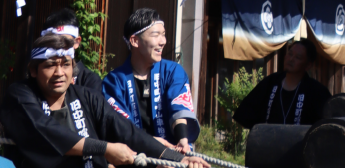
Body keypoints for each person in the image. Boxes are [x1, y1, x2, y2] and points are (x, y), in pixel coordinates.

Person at [0, 34, 208, 168]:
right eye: (50, 65)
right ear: (33, 70)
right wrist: (105, 149)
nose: (59, 73)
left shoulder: (84, 96)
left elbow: (125, 130)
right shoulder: (20, 95)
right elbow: (44, 130)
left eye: (66, 65)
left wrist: (178, 158)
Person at [102, 9, 199, 153]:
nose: (163, 42)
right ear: (135, 41)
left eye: (164, 35)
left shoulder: (172, 71)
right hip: (134, 156)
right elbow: (122, 128)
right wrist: (151, 143)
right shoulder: (114, 82)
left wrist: (182, 140)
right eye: (156, 35)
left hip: (174, 154)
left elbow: (179, 109)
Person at [232, 40, 330, 128]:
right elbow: (246, 113)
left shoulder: (317, 92)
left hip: (300, 146)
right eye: (290, 54)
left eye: (298, 57)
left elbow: (325, 127)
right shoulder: (270, 83)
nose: (291, 59)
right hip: (269, 144)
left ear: (308, 65)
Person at [41, 9, 103, 95]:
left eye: (65, 42)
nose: (59, 47)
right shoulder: (40, 75)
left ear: (76, 42)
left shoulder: (90, 80)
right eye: (53, 42)